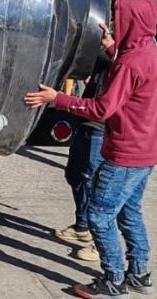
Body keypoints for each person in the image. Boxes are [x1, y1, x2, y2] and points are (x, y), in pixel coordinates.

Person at [25, 0, 157, 299]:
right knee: (130, 212)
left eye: (120, 17)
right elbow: (133, 72)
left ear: (133, 22)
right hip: (148, 152)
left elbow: (102, 109)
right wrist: (112, 46)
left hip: (126, 152)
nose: (116, 22)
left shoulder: (130, 62)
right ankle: (139, 274)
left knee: (100, 215)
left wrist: (57, 100)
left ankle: (113, 281)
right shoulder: (150, 51)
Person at [54, 54, 108, 263]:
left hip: (100, 126)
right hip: (85, 122)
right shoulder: (105, 56)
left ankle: (99, 242)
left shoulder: (125, 56)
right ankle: (82, 226)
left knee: (95, 184)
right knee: (75, 175)